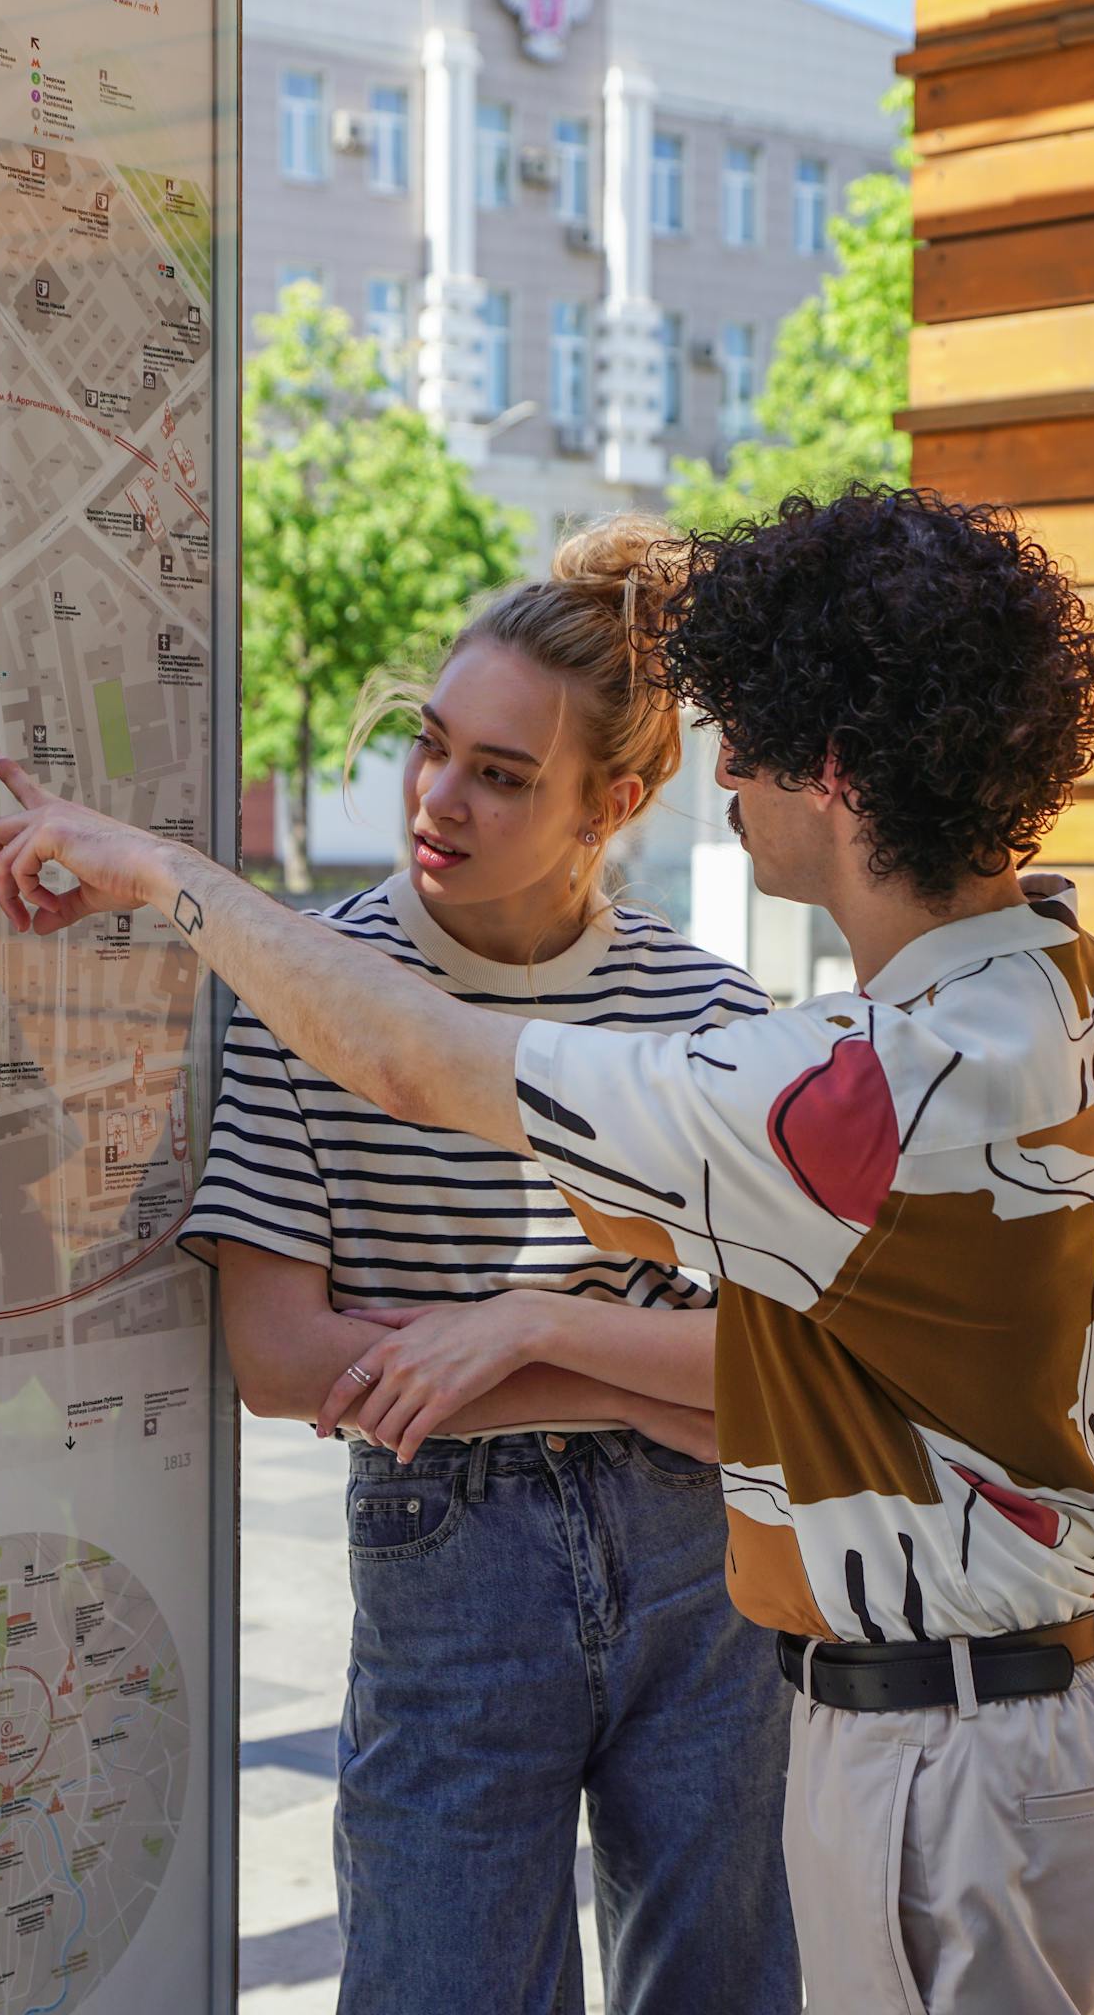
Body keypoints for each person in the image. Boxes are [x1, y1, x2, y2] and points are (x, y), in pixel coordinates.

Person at [0, 486, 1094, 2015]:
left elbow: (426, 1063)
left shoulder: (825, 1088)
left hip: (932, 1749)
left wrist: (163, 876)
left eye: (752, 736)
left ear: (835, 767)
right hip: (1042, 1718)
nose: (721, 772)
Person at [174, 516, 800, 2015]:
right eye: (429, 744)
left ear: (619, 801)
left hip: (704, 1572)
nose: (436, 799)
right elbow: (280, 1363)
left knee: (725, 1989)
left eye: (502, 774)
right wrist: (618, 1362)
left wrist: (491, 1339)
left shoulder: (709, 1009)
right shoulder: (308, 994)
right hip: (445, 1559)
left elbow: (776, 1379)